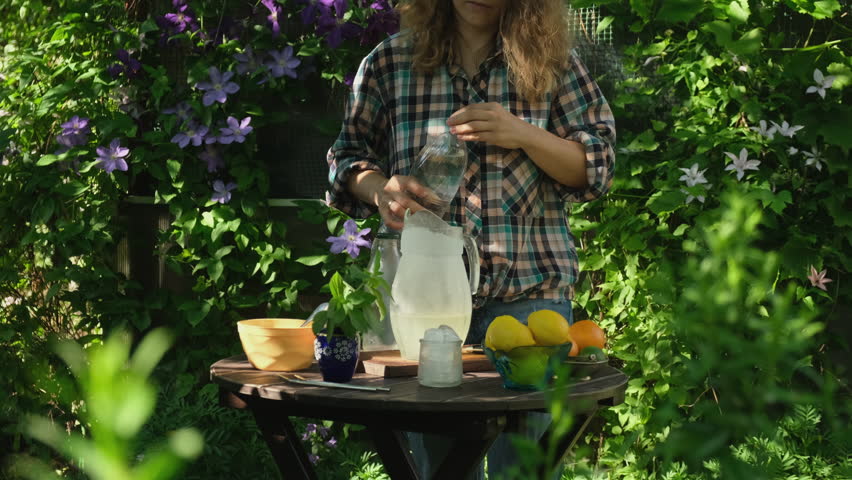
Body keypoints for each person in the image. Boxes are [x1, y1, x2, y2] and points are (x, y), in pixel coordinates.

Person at [326, 0, 615, 477]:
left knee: (523, 471)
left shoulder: (554, 64)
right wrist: (380, 189)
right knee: (441, 468)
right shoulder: (390, 62)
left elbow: (596, 167)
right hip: (425, 306)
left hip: (529, 301)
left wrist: (523, 134)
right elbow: (345, 159)